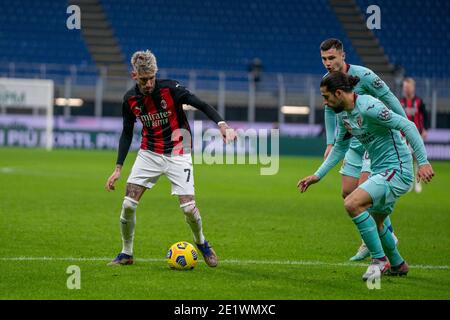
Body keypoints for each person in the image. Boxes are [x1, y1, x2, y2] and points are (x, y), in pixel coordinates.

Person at [105, 50, 237, 267]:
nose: (148, 84)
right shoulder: (129, 99)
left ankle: (201, 242)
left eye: (151, 78)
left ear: (156, 73)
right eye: (144, 79)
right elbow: (127, 132)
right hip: (149, 153)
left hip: (179, 152)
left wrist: (222, 125)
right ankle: (126, 253)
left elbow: (201, 104)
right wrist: (118, 168)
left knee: (188, 208)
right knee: (128, 204)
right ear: (134, 76)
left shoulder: (171, 89)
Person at [298, 72, 434, 280]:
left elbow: (408, 125)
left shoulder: (371, 107)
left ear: (339, 93)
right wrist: (318, 175)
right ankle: (398, 264)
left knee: (352, 203)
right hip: (381, 170)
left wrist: (423, 162)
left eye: (326, 97)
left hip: (398, 169)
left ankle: (379, 260)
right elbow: (339, 148)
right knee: (376, 221)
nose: (324, 103)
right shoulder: (343, 115)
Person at [319, 38, 408, 261]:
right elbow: (330, 113)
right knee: (347, 192)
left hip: (373, 143)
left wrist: (404, 125)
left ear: (343, 56)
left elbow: (389, 98)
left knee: (363, 195)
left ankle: (377, 244)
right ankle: (385, 240)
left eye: (331, 58)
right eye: (324, 59)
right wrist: (331, 143)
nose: (327, 63)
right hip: (351, 142)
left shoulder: (365, 75)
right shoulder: (327, 81)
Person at [400, 77, 429, 193]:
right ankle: (409, 183)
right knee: (407, 159)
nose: (406, 89)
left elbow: (426, 115)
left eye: (408, 86)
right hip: (403, 135)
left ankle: (418, 183)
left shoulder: (419, 101)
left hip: (417, 134)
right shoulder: (400, 102)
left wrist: (425, 129)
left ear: (413, 87)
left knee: (417, 159)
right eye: (404, 87)